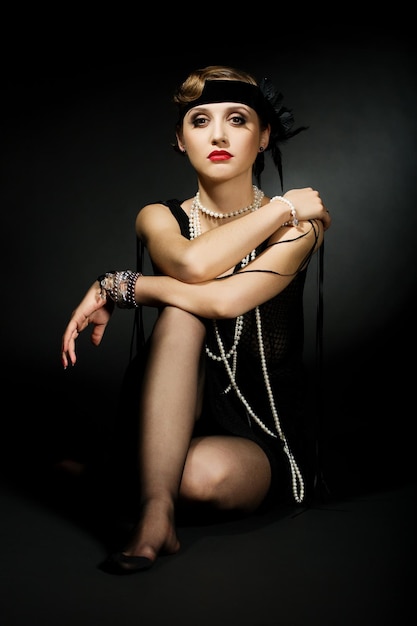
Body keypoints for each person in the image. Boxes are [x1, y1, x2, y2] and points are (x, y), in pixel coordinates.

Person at [61, 65, 331, 575]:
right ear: (181, 141)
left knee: (199, 478)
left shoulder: (301, 230)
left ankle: (118, 477)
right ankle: (155, 517)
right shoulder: (159, 217)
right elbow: (190, 265)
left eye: (238, 119)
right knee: (184, 310)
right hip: (167, 387)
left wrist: (124, 287)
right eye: (200, 121)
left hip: (256, 426)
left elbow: (226, 300)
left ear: (264, 135)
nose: (220, 135)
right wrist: (279, 208)